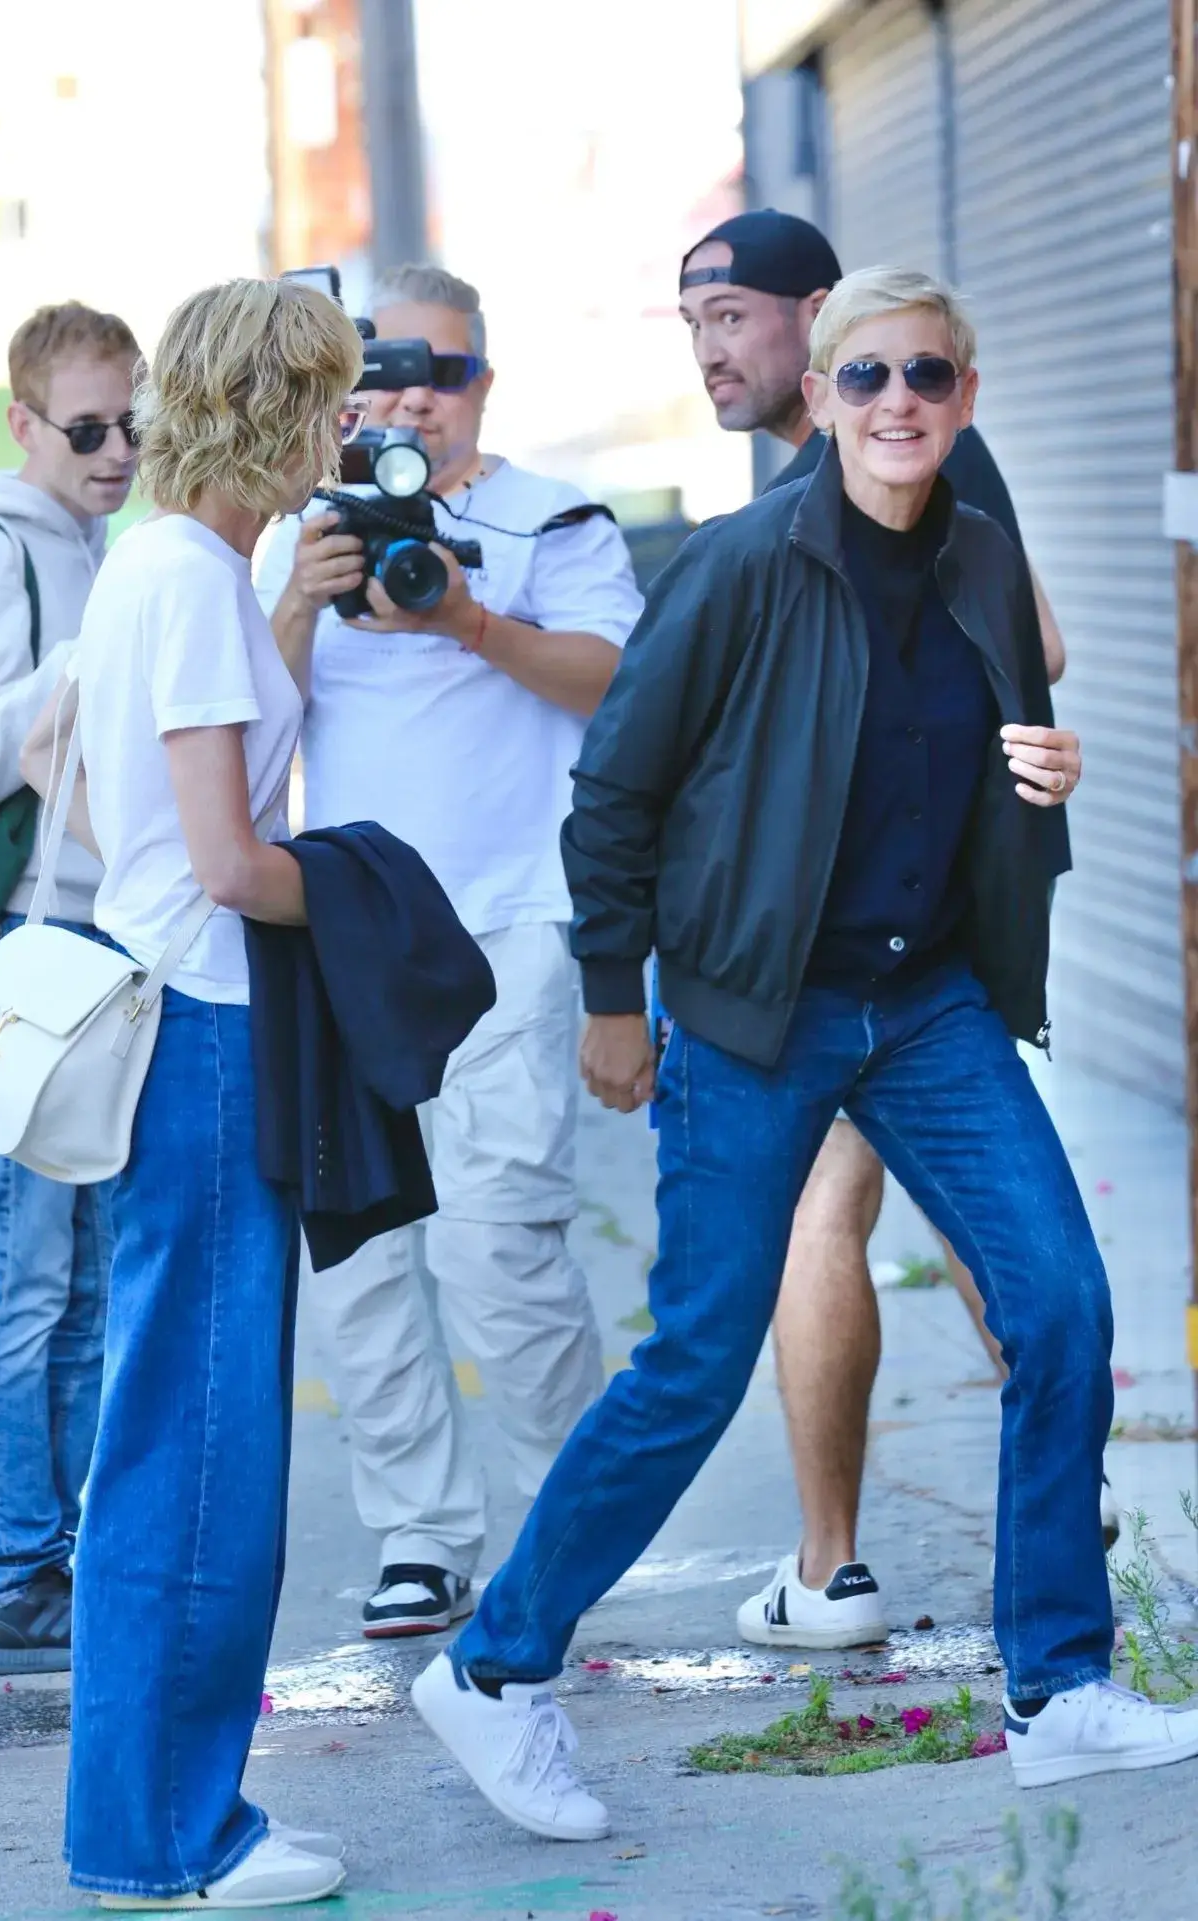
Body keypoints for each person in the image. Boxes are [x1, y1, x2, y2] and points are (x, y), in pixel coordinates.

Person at [412, 266, 1198, 1832]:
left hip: (928, 1006)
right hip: (752, 1011)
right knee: (698, 1358)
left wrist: (1042, 770)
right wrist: (617, 998)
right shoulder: (741, 565)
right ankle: (491, 1673)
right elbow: (618, 788)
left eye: (927, 377)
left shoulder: (980, 561)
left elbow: (978, 762)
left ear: (964, 401)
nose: (897, 403)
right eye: (865, 380)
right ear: (822, 399)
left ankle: (1055, 1685)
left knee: (1060, 1304)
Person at [677, 209, 1112, 1652]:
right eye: (693, 320)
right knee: (977, 1231)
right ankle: (1060, 1476)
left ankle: (830, 1568)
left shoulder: (907, 435)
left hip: (908, 925)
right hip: (863, 929)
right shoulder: (807, 486)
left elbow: (1034, 645)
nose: (709, 344)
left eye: (730, 313)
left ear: (815, 320)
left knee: (840, 1213)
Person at [257, 263, 643, 1638]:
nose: (411, 392)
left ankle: (559, 1533)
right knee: (360, 1253)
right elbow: (244, 725)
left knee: (501, 1243)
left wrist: (471, 619)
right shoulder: (297, 530)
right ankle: (418, 1534)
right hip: (345, 928)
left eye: (443, 369)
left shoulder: (555, 519)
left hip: (514, 918)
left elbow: (621, 684)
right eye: (383, 371)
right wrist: (302, 593)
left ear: (484, 380)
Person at [49, 278, 361, 1908]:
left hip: (191, 1022)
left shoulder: (170, 572)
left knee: (179, 1430)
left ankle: (151, 1826)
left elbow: (118, 817)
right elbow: (233, 860)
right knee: (205, 1442)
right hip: (206, 1033)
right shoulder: (183, 580)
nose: (348, 433)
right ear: (275, 406)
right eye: (331, 402)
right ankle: (173, 1839)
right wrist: (387, 905)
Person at [0, 303, 140, 1669]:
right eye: (89, 428)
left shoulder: (95, 544)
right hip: (5, 954)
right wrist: (107, 646)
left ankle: (48, 1558)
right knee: (17, 1271)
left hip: (81, 949)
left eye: (135, 426)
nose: (119, 451)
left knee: (88, 1272)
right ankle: (13, 1573)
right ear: (22, 423)